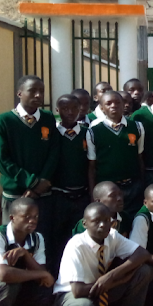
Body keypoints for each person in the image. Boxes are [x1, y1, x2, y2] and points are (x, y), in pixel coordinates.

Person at [53, 203, 153, 306]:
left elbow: (142, 254)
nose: (103, 225)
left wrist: (112, 275)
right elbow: (78, 291)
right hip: (71, 295)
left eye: (107, 220)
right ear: (85, 224)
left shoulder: (112, 235)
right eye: (96, 221)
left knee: (143, 271)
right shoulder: (76, 246)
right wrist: (116, 282)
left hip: (100, 287)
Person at [0, 75, 59, 225]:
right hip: (16, 193)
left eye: (41, 91)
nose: (38, 95)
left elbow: (54, 152)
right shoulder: (4, 121)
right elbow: (2, 160)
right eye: (32, 91)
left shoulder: (48, 118)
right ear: (19, 93)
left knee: (42, 238)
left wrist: (40, 184)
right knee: (15, 238)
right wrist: (32, 182)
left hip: (43, 193)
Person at [86, 90, 146, 216]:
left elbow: (139, 157)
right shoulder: (93, 131)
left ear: (124, 104)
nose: (113, 106)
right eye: (108, 103)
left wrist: (142, 184)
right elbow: (92, 166)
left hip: (133, 186)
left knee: (133, 220)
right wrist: (93, 195)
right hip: (109, 190)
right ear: (102, 108)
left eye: (117, 102)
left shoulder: (137, 127)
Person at [52, 94, 90, 274]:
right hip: (59, 196)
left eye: (74, 108)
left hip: (81, 195)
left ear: (81, 110)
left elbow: (91, 165)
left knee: (79, 237)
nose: (70, 112)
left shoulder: (87, 132)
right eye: (65, 109)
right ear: (57, 111)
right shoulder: (52, 133)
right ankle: (57, 276)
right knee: (58, 238)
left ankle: (78, 274)